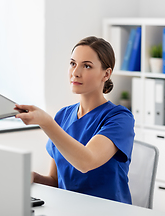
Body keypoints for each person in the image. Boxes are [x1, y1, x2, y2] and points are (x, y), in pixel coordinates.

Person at [15, 36, 135, 204]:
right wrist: (34, 177)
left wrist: (46, 123)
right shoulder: (63, 116)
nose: (75, 72)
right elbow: (56, 181)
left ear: (106, 74)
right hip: (69, 209)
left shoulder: (120, 118)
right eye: (72, 64)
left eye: (86, 66)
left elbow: (87, 161)